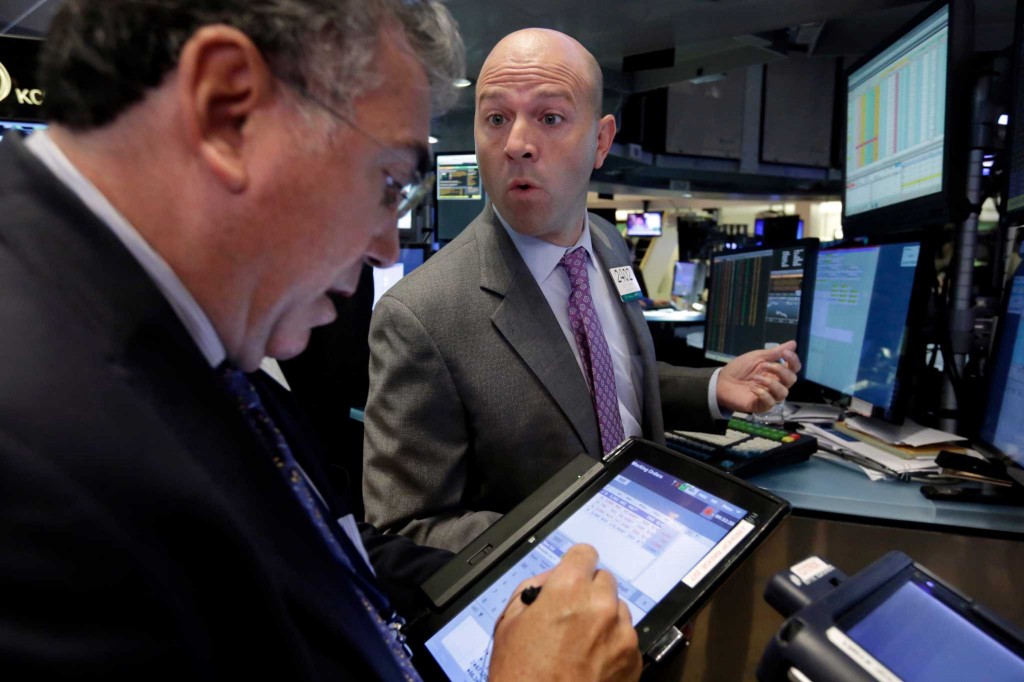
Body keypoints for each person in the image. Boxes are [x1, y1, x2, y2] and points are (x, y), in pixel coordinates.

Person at [0, 4, 640, 680]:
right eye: (389, 180)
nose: (385, 245)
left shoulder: (162, 328)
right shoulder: (32, 453)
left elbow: (328, 550)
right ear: (227, 109)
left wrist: (519, 575)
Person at [363, 28, 801, 552]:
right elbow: (404, 531)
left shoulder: (608, 245)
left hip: (657, 552)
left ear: (601, 140)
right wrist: (576, 538)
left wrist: (713, 388)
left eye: (550, 118)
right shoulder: (421, 315)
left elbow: (605, 380)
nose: (518, 144)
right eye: (496, 118)